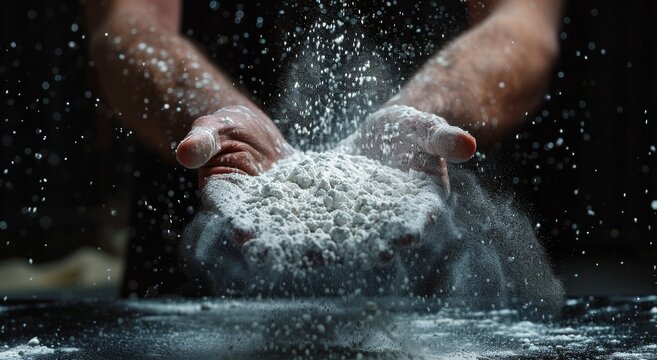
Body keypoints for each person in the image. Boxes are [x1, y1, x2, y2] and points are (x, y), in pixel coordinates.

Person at [84, 0, 563, 296]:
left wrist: (426, 106)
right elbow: (124, 25)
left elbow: (525, 29)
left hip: (438, 276)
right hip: (195, 268)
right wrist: (214, 111)